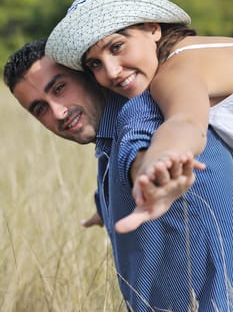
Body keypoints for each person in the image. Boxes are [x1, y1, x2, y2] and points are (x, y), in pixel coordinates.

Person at [3, 39, 233, 311]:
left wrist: (148, 174)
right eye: (40, 108)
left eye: (60, 88)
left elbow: (141, 149)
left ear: (88, 73)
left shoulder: (141, 110)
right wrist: (106, 204)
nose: (59, 112)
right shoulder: (108, 142)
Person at [45, 0, 233, 231]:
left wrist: (160, 159)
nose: (110, 71)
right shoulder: (191, 51)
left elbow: (185, 121)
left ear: (153, 28)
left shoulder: (174, 72)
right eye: (95, 64)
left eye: (117, 47)